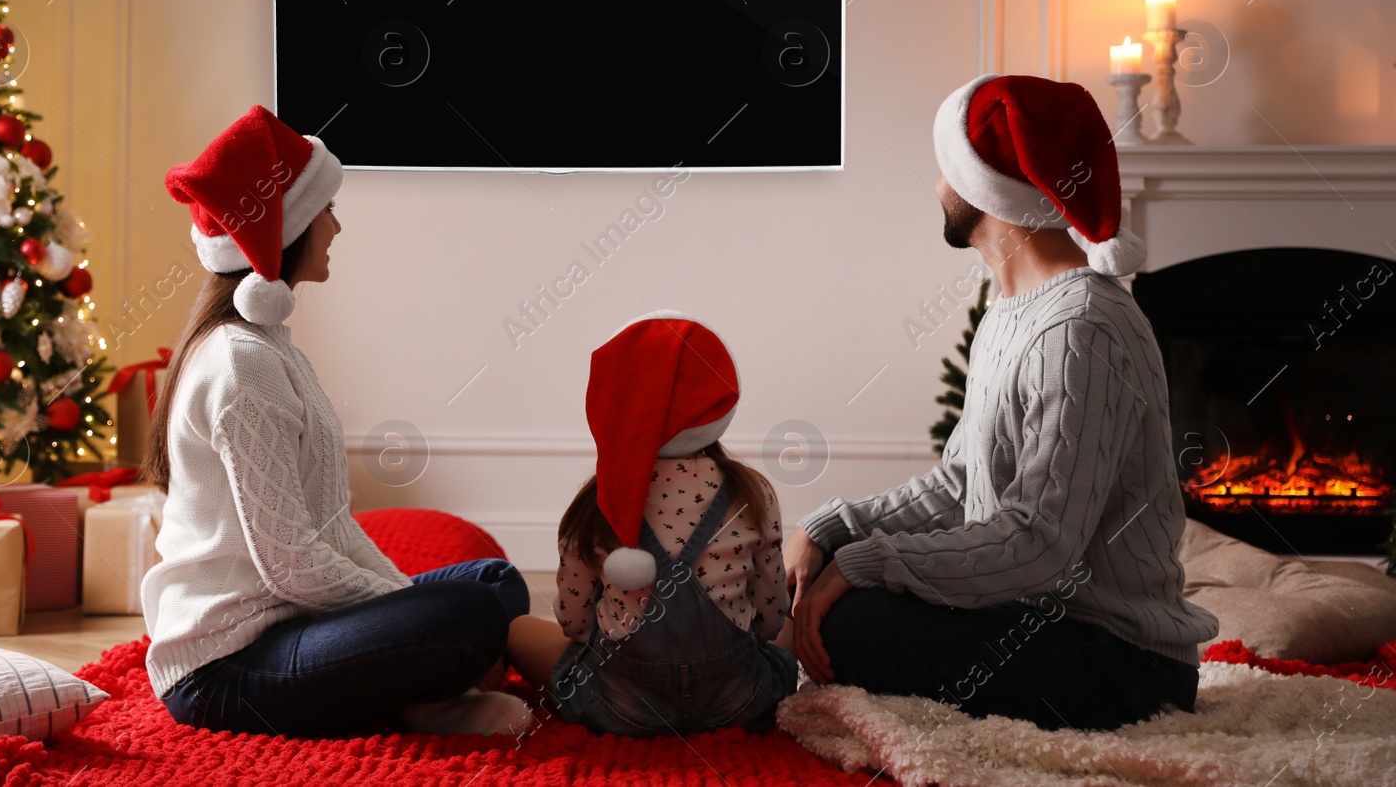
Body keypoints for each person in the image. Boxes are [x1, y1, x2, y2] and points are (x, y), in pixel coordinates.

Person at [784, 73, 1220, 731]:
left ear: (988, 188)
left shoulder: (1081, 327)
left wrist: (866, 563)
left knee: (851, 617)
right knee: (810, 583)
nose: (936, 182)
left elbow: (1041, 543)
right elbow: (963, 484)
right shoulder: (1010, 311)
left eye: (946, 165)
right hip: (1033, 617)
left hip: (1122, 662)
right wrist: (831, 527)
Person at [139, 104, 538, 737]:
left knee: (492, 583)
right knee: (471, 612)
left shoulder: (271, 348)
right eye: (326, 209)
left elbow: (330, 529)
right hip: (225, 667)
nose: (337, 225)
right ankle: (427, 690)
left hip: (294, 621)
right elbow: (292, 565)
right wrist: (416, 615)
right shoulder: (243, 365)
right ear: (289, 227)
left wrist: (407, 608)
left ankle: (417, 687)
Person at [513, 311, 798, 736]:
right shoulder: (753, 493)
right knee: (793, 615)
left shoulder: (595, 502)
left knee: (516, 629)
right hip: (737, 702)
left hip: (618, 706)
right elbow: (771, 619)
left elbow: (574, 624)